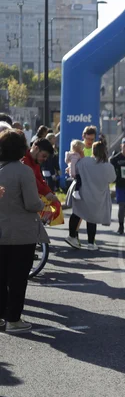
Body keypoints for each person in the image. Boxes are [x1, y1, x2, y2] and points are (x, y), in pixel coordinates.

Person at [0, 129, 50, 334]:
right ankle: (13, 319)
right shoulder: (23, 171)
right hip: (22, 233)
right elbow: (31, 203)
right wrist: (42, 204)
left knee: (1, 277)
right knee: (18, 277)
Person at [65, 142, 116, 250]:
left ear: (93, 151)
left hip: (82, 193)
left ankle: (72, 236)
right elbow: (112, 179)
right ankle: (91, 243)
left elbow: (75, 171)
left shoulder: (84, 161)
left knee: (77, 213)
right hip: (97, 195)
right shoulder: (108, 166)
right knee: (91, 218)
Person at [21, 138, 58, 205]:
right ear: (36, 149)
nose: (45, 159)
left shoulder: (35, 162)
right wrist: (46, 193)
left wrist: (50, 193)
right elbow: (33, 180)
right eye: (44, 156)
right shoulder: (24, 161)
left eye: (46, 157)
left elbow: (40, 179)